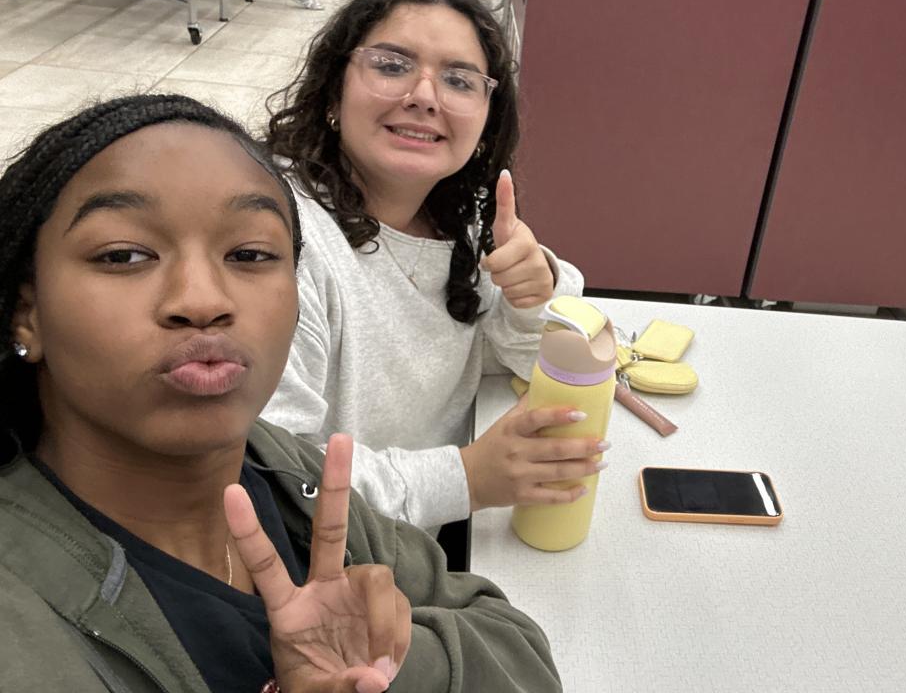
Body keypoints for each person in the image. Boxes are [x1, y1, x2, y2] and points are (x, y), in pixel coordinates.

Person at [0, 94, 562, 693]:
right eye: (124, 255)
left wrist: (391, 666)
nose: (203, 300)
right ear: (26, 312)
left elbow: (518, 651)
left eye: (249, 254)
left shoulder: (285, 473)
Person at [262, 0, 594, 533]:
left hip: (423, 541)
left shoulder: (465, 218)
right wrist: (468, 479)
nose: (423, 96)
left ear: (486, 118)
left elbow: (532, 362)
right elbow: (270, 471)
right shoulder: (276, 240)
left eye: (459, 80)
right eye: (392, 66)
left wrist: (533, 298)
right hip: (326, 563)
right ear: (334, 91)